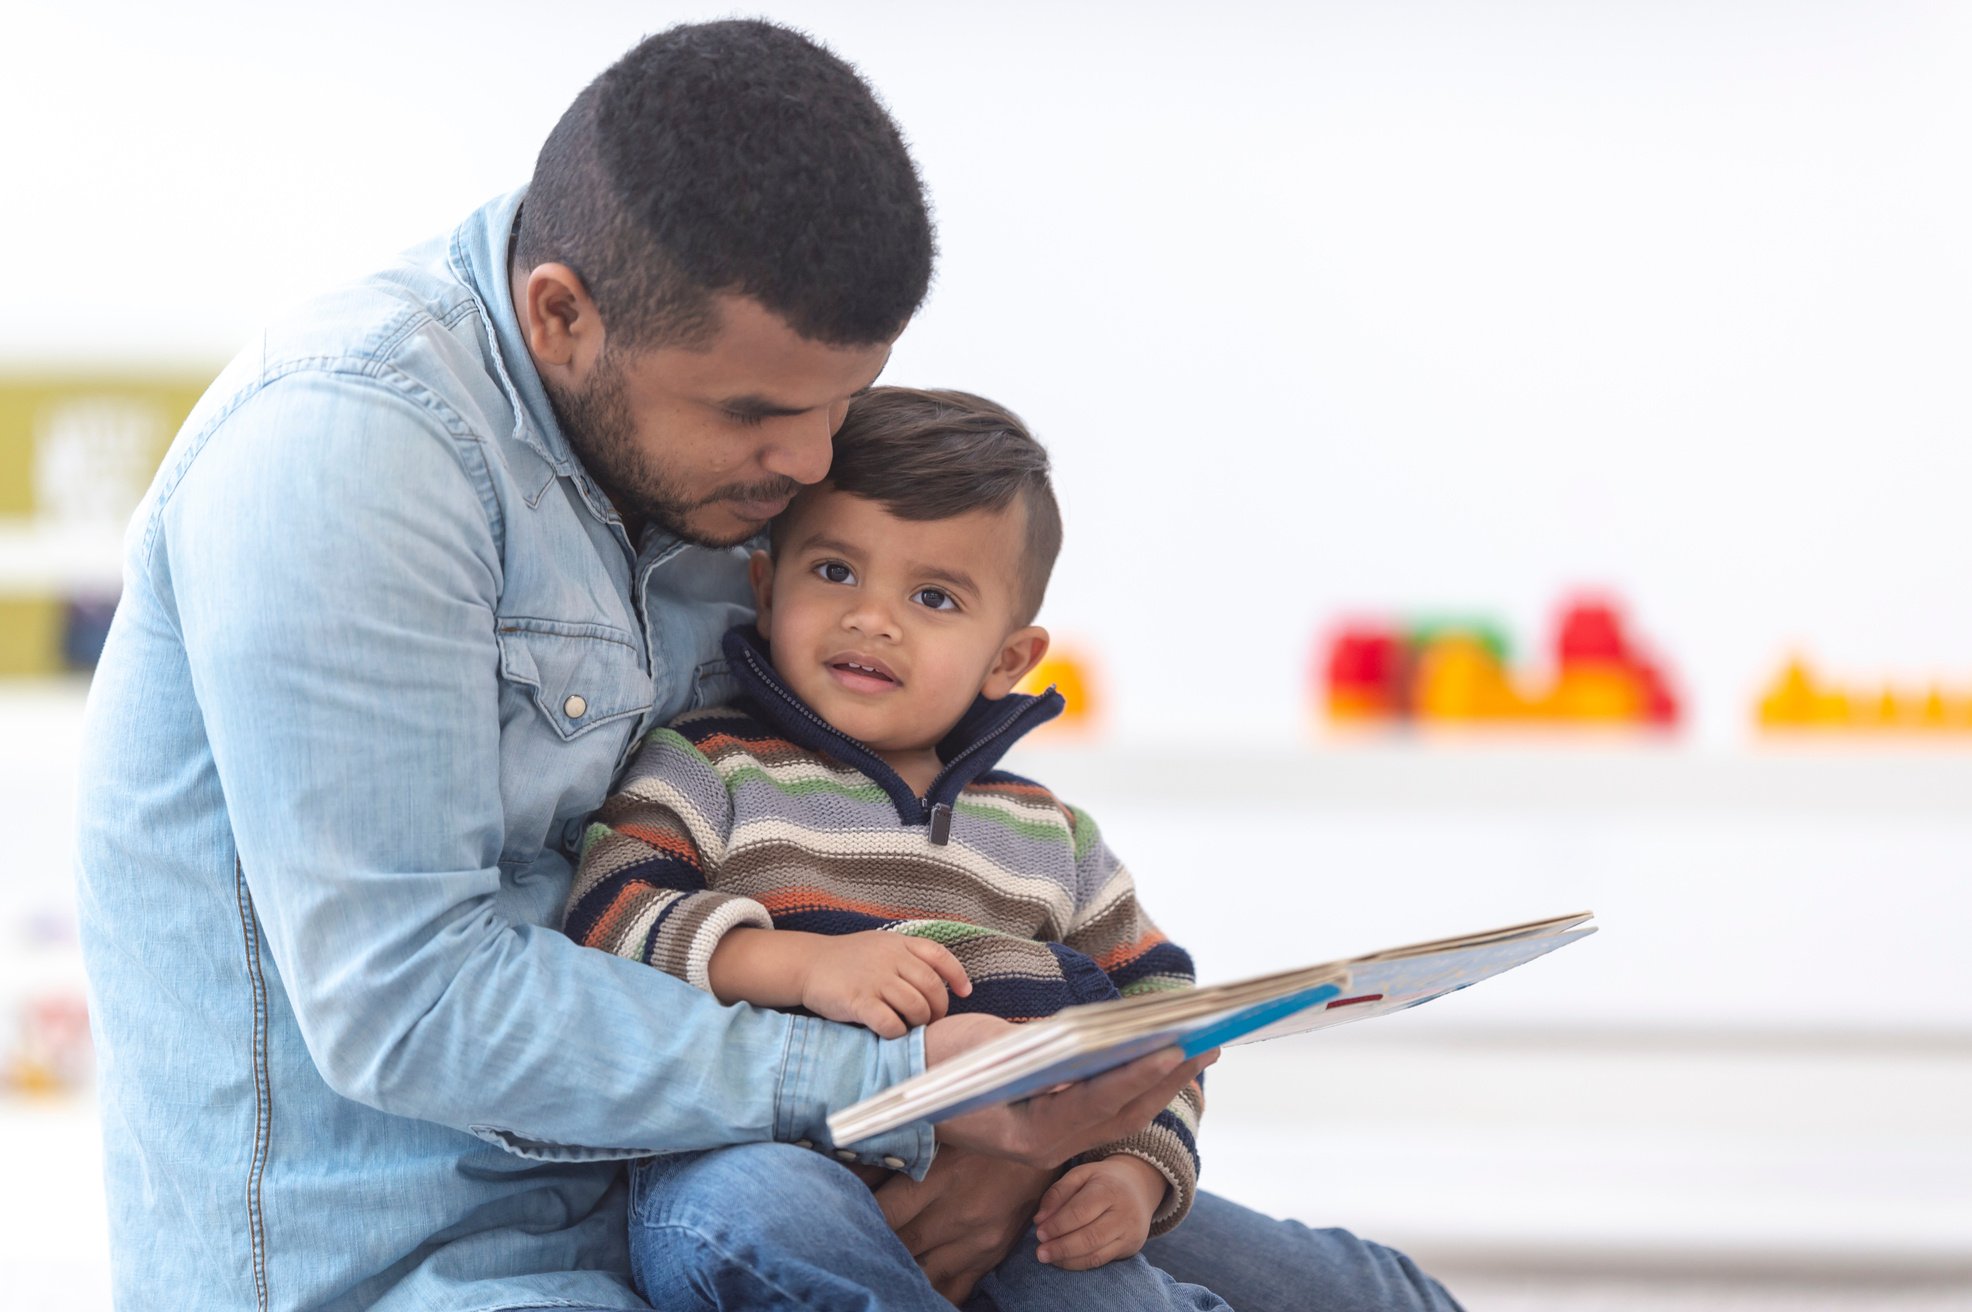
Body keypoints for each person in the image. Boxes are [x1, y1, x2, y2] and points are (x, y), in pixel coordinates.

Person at [73, 18, 1461, 1312]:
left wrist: (981, 1142)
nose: (807, 468)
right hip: (434, 1257)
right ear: (562, 317)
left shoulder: (693, 455)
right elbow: (410, 1001)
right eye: (757, 416)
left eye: (837, 405)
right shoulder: (350, 459)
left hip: (723, 1154)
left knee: (1367, 1295)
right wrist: (891, 1080)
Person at [565, 386, 1227, 1310]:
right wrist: (797, 964)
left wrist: (1138, 1171)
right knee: (751, 1210)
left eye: (932, 596)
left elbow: (1163, 1017)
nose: (874, 619)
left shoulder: (1052, 837)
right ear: (767, 586)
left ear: (1008, 660)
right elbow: (607, 912)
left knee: (1101, 1286)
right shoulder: (710, 763)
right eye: (835, 572)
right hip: (761, 1157)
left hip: (1024, 1191)